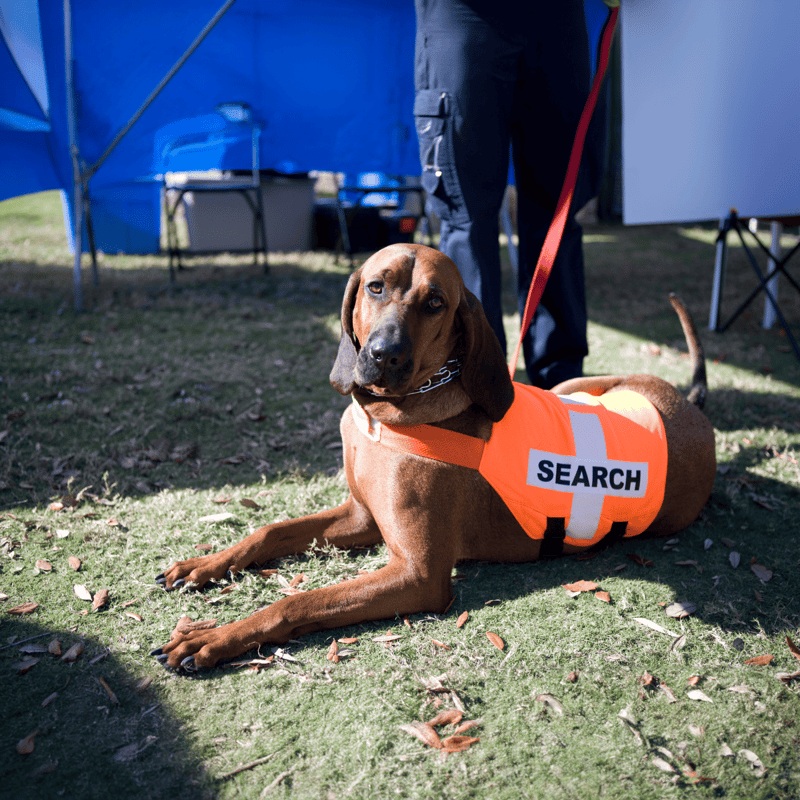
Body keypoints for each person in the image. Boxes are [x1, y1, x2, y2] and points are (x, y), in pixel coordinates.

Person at [414, 0, 607, 389]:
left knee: (557, 214)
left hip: (557, 18)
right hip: (464, 13)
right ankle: (473, 381)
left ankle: (560, 384)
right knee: (466, 215)